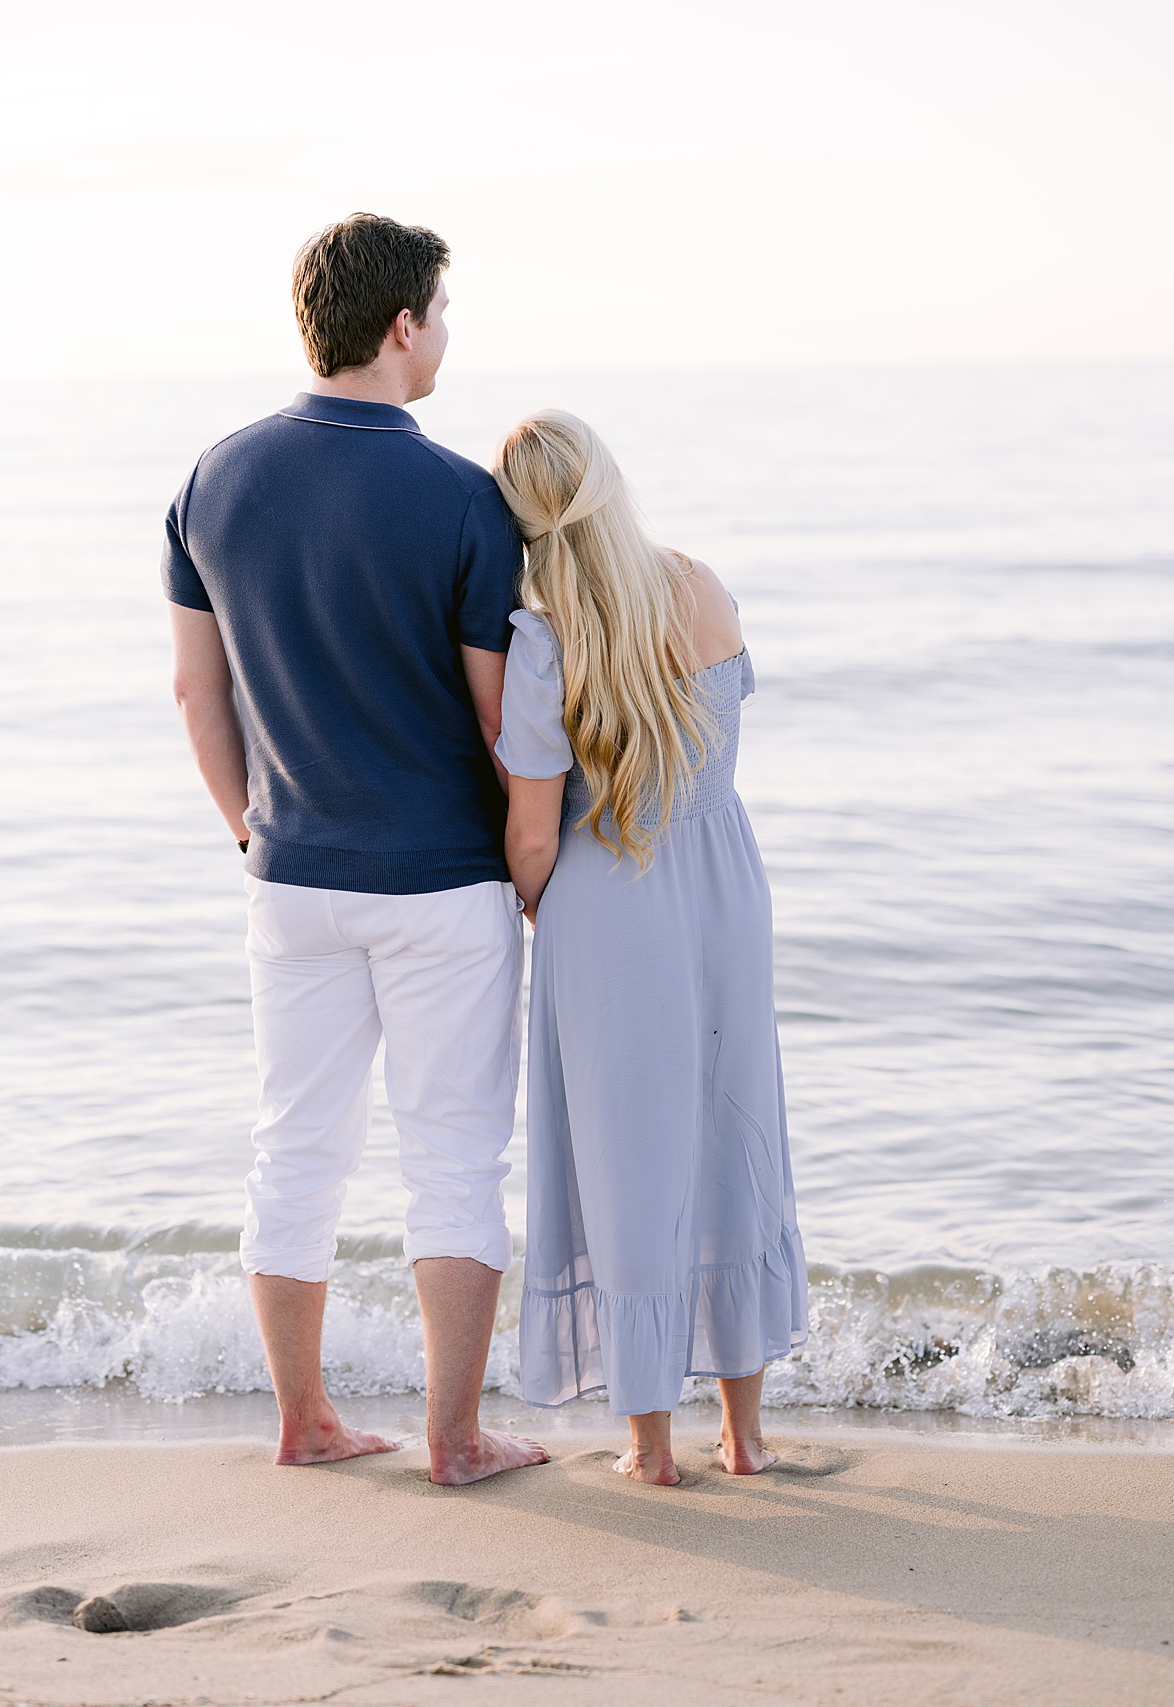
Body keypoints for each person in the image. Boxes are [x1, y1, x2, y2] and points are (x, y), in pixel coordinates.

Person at [161, 214, 547, 1486]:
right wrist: (537, 867)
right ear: (399, 325)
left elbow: (195, 694)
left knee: (295, 1145)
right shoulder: (462, 499)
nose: (444, 334)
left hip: (289, 877)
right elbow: (500, 722)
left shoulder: (213, 478)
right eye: (440, 311)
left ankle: (305, 1421)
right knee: (451, 1154)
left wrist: (246, 828)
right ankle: (454, 1440)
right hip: (441, 883)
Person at [491, 411, 808, 1486]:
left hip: (604, 900)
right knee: (732, 1135)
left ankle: (647, 1449)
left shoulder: (540, 643)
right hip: (724, 887)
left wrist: (538, 907)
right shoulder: (701, 587)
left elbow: (533, 832)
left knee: (625, 1158)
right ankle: (746, 1437)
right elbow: (715, 742)